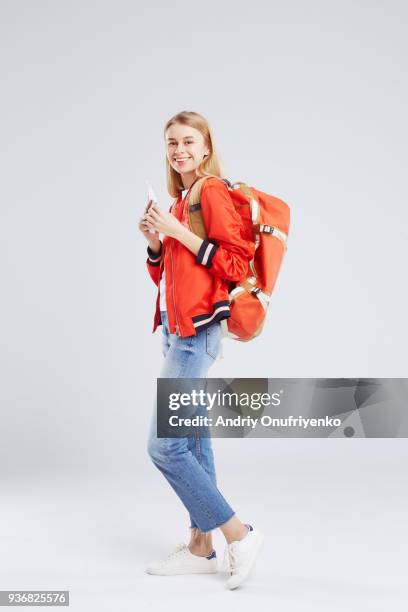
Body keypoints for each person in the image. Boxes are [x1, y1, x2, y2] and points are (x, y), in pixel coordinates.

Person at [138, 110, 264, 590]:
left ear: (206, 147)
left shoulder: (209, 191)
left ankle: (238, 533)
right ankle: (199, 545)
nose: (179, 150)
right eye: (172, 142)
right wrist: (156, 244)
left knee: (164, 445)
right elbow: (170, 275)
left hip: (197, 333)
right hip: (177, 327)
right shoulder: (178, 199)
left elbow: (234, 263)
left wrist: (179, 234)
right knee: (191, 441)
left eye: (188, 141)